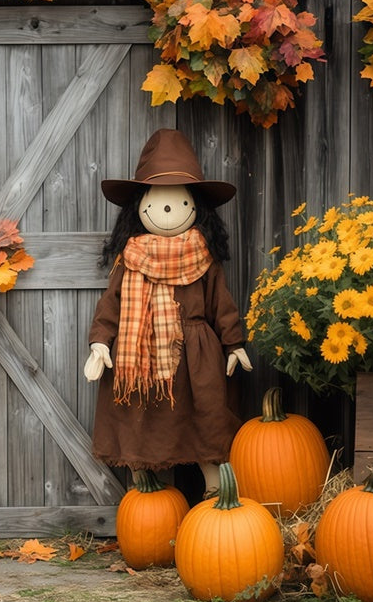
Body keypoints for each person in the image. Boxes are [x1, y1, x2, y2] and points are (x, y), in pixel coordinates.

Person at [83, 129, 251, 497]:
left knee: (204, 421)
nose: (168, 211)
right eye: (157, 203)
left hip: (196, 358)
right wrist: (100, 343)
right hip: (140, 353)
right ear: (139, 207)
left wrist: (234, 343)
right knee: (144, 419)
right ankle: (148, 494)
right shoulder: (130, 257)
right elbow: (111, 305)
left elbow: (221, 303)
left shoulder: (203, 256)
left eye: (178, 202)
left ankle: (215, 495)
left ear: (195, 206)